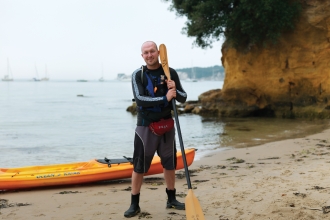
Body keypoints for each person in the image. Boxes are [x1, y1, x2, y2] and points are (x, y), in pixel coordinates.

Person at [124, 41, 187, 218]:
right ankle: (134, 204)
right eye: (146, 52)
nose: (149, 55)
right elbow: (140, 99)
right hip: (145, 126)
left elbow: (182, 97)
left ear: (158, 53)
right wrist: (165, 98)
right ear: (142, 55)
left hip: (167, 124)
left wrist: (174, 90)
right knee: (139, 166)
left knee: (169, 163)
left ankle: (172, 199)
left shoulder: (170, 72)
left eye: (152, 51)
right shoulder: (138, 74)